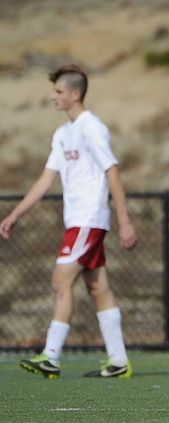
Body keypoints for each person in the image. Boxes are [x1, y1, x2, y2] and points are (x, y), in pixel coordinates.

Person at [1, 64, 137, 379]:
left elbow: (112, 171)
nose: (53, 97)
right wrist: (15, 214)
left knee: (60, 282)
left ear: (75, 95)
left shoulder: (92, 127)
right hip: (77, 221)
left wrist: (124, 220)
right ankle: (119, 362)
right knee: (97, 287)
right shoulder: (63, 134)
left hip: (89, 219)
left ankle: (50, 357)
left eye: (58, 92)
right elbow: (45, 180)